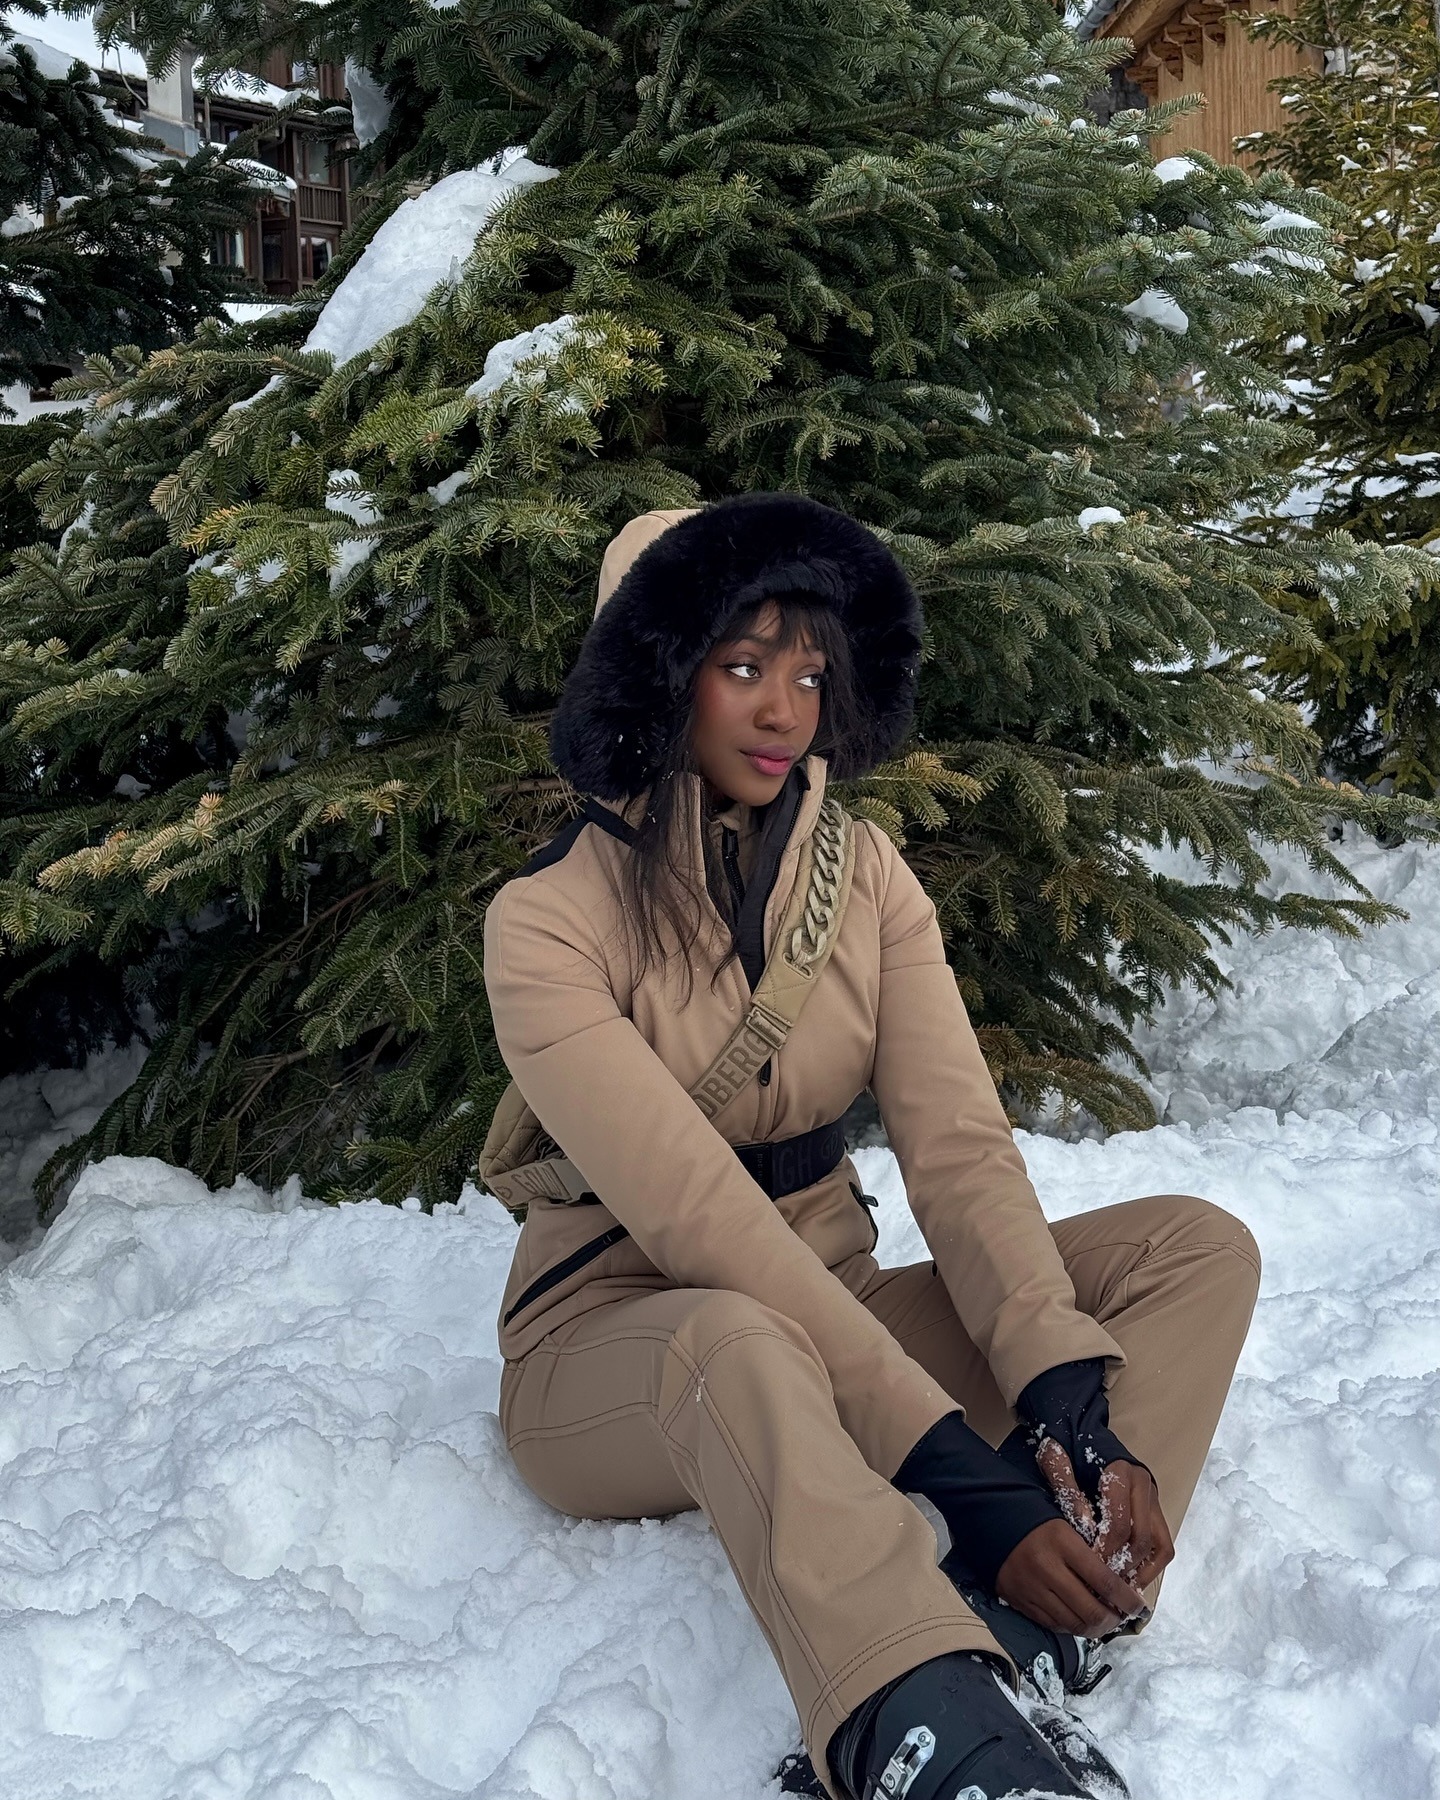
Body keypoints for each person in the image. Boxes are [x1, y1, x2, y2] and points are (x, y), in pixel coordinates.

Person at [482, 495, 1261, 1800]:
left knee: (1196, 1250)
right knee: (736, 1337)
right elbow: (699, 1225)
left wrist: (1065, 1392)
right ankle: (922, 1730)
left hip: (832, 1307)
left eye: (808, 667)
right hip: (620, 1345)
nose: (786, 705)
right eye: (742, 664)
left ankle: (1030, 1633)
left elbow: (955, 1148)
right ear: (656, 672)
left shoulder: (869, 875)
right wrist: (959, 1471)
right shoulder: (547, 923)